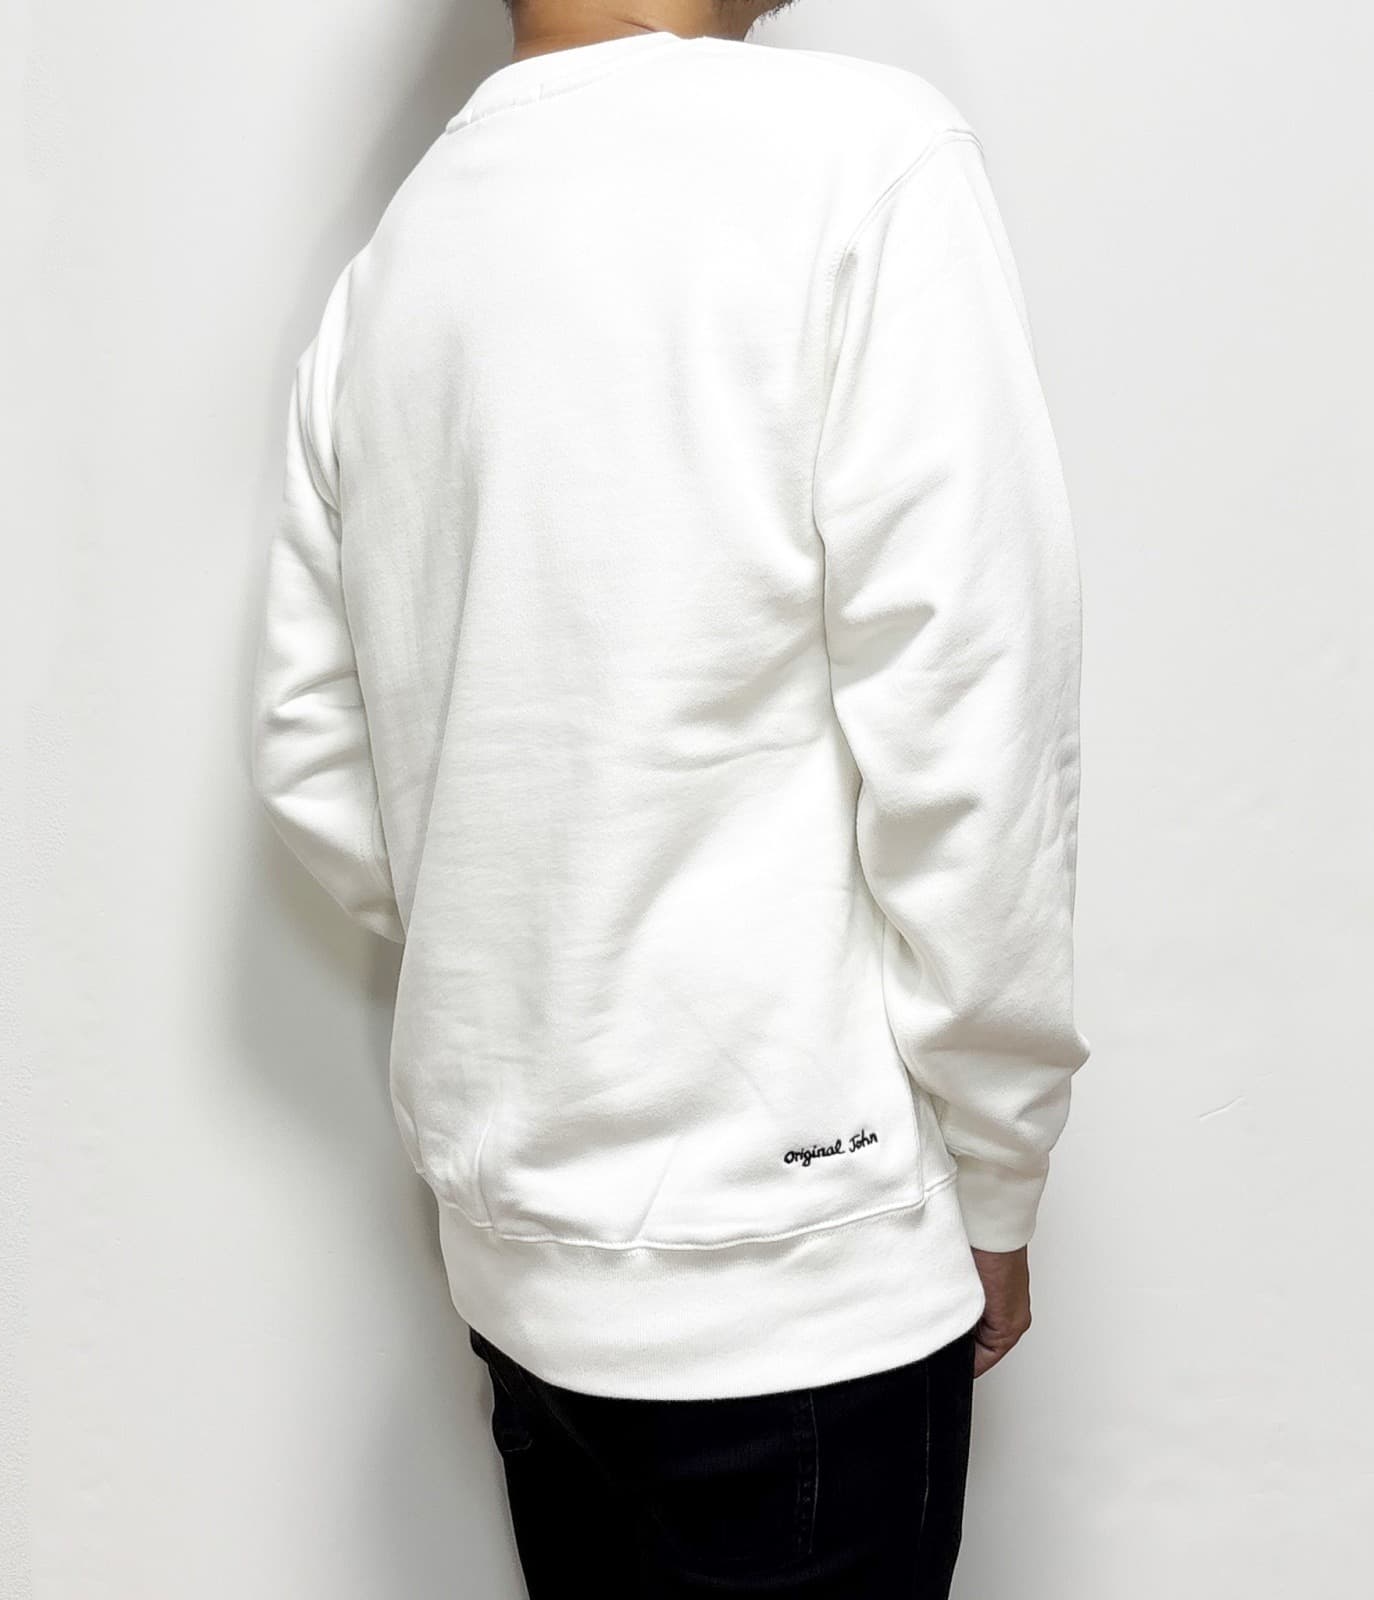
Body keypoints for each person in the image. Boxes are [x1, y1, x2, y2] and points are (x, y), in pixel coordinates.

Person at [248, 1, 1091, 1592]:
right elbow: (973, 717)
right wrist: (1000, 1160)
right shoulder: (857, 156)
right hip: (799, 1275)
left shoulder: (399, 261)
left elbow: (312, 751)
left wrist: (542, 943)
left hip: (523, 1268)